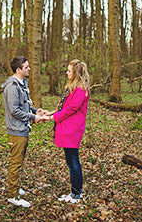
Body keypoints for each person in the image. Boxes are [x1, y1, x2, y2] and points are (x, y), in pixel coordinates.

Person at [3, 56, 53, 207]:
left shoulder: (21, 83)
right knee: (15, 162)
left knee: (19, 161)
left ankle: (16, 188)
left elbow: (22, 106)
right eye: (26, 67)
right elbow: (15, 111)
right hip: (16, 130)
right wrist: (33, 117)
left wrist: (36, 111)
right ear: (18, 70)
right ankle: (13, 195)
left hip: (23, 129)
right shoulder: (12, 86)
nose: (29, 69)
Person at [52, 59, 91, 203]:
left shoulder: (81, 89)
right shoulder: (73, 87)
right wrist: (52, 113)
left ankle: (77, 193)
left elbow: (71, 109)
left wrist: (54, 117)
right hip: (67, 127)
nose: (66, 73)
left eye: (69, 71)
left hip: (72, 129)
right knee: (70, 160)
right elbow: (64, 106)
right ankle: (74, 192)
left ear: (75, 73)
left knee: (73, 161)